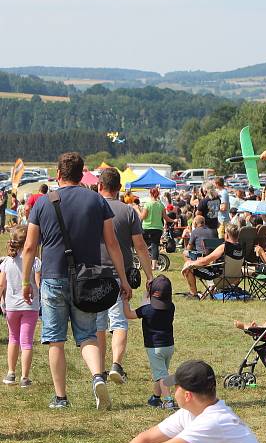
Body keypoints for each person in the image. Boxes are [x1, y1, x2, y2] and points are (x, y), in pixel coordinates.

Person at [22, 151, 131, 410]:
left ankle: (61, 398)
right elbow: (112, 243)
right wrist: (123, 279)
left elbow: (29, 246)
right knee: (87, 336)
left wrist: (26, 282)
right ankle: (97, 377)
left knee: (55, 339)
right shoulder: (96, 201)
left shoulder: (42, 202)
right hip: (88, 278)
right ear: (82, 174)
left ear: (58, 174)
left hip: (53, 276)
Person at [122, 360, 262, 443]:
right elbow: (144, 438)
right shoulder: (191, 412)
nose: (173, 392)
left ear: (187, 395)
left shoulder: (214, 421)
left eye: (176, 388)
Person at [96, 168, 154, 386]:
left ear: (99, 186)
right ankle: (116, 365)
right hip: (121, 275)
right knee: (119, 321)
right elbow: (140, 246)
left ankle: (99, 369)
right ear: (119, 188)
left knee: (99, 324)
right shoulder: (128, 211)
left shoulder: (92, 209)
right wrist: (149, 275)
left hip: (95, 273)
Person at [122, 275, 177, 409]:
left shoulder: (147, 310)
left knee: (161, 376)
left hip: (154, 348)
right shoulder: (171, 307)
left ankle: (169, 401)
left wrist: (124, 301)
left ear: (151, 293)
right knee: (161, 373)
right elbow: (152, 300)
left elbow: (128, 314)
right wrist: (150, 292)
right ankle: (155, 398)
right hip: (169, 346)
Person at [1, 224, 41, 388]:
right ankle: (25, 377)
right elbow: (38, 285)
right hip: (30, 307)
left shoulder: (6, 262)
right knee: (26, 342)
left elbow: (1, 285)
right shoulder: (35, 262)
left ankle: (11, 373)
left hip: (11, 307)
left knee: (13, 338)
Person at [181, 224, 244, 299]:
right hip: (234, 279)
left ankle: (193, 294)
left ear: (226, 235)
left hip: (220, 279)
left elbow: (205, 261)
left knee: (188, 267)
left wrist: (191, 263)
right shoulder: (242, 247)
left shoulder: (224, 247)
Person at [141, 187, 174, 272]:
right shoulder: (161, 205)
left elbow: (143, 217)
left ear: (150, 194)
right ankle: (154, 266)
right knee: (155, 245)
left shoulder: (147, 205)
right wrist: (174, 220)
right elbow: (166, 218)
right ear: (158, 194)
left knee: (142, 244)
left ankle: (145, 261)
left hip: (146, 228)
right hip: (158, 229)